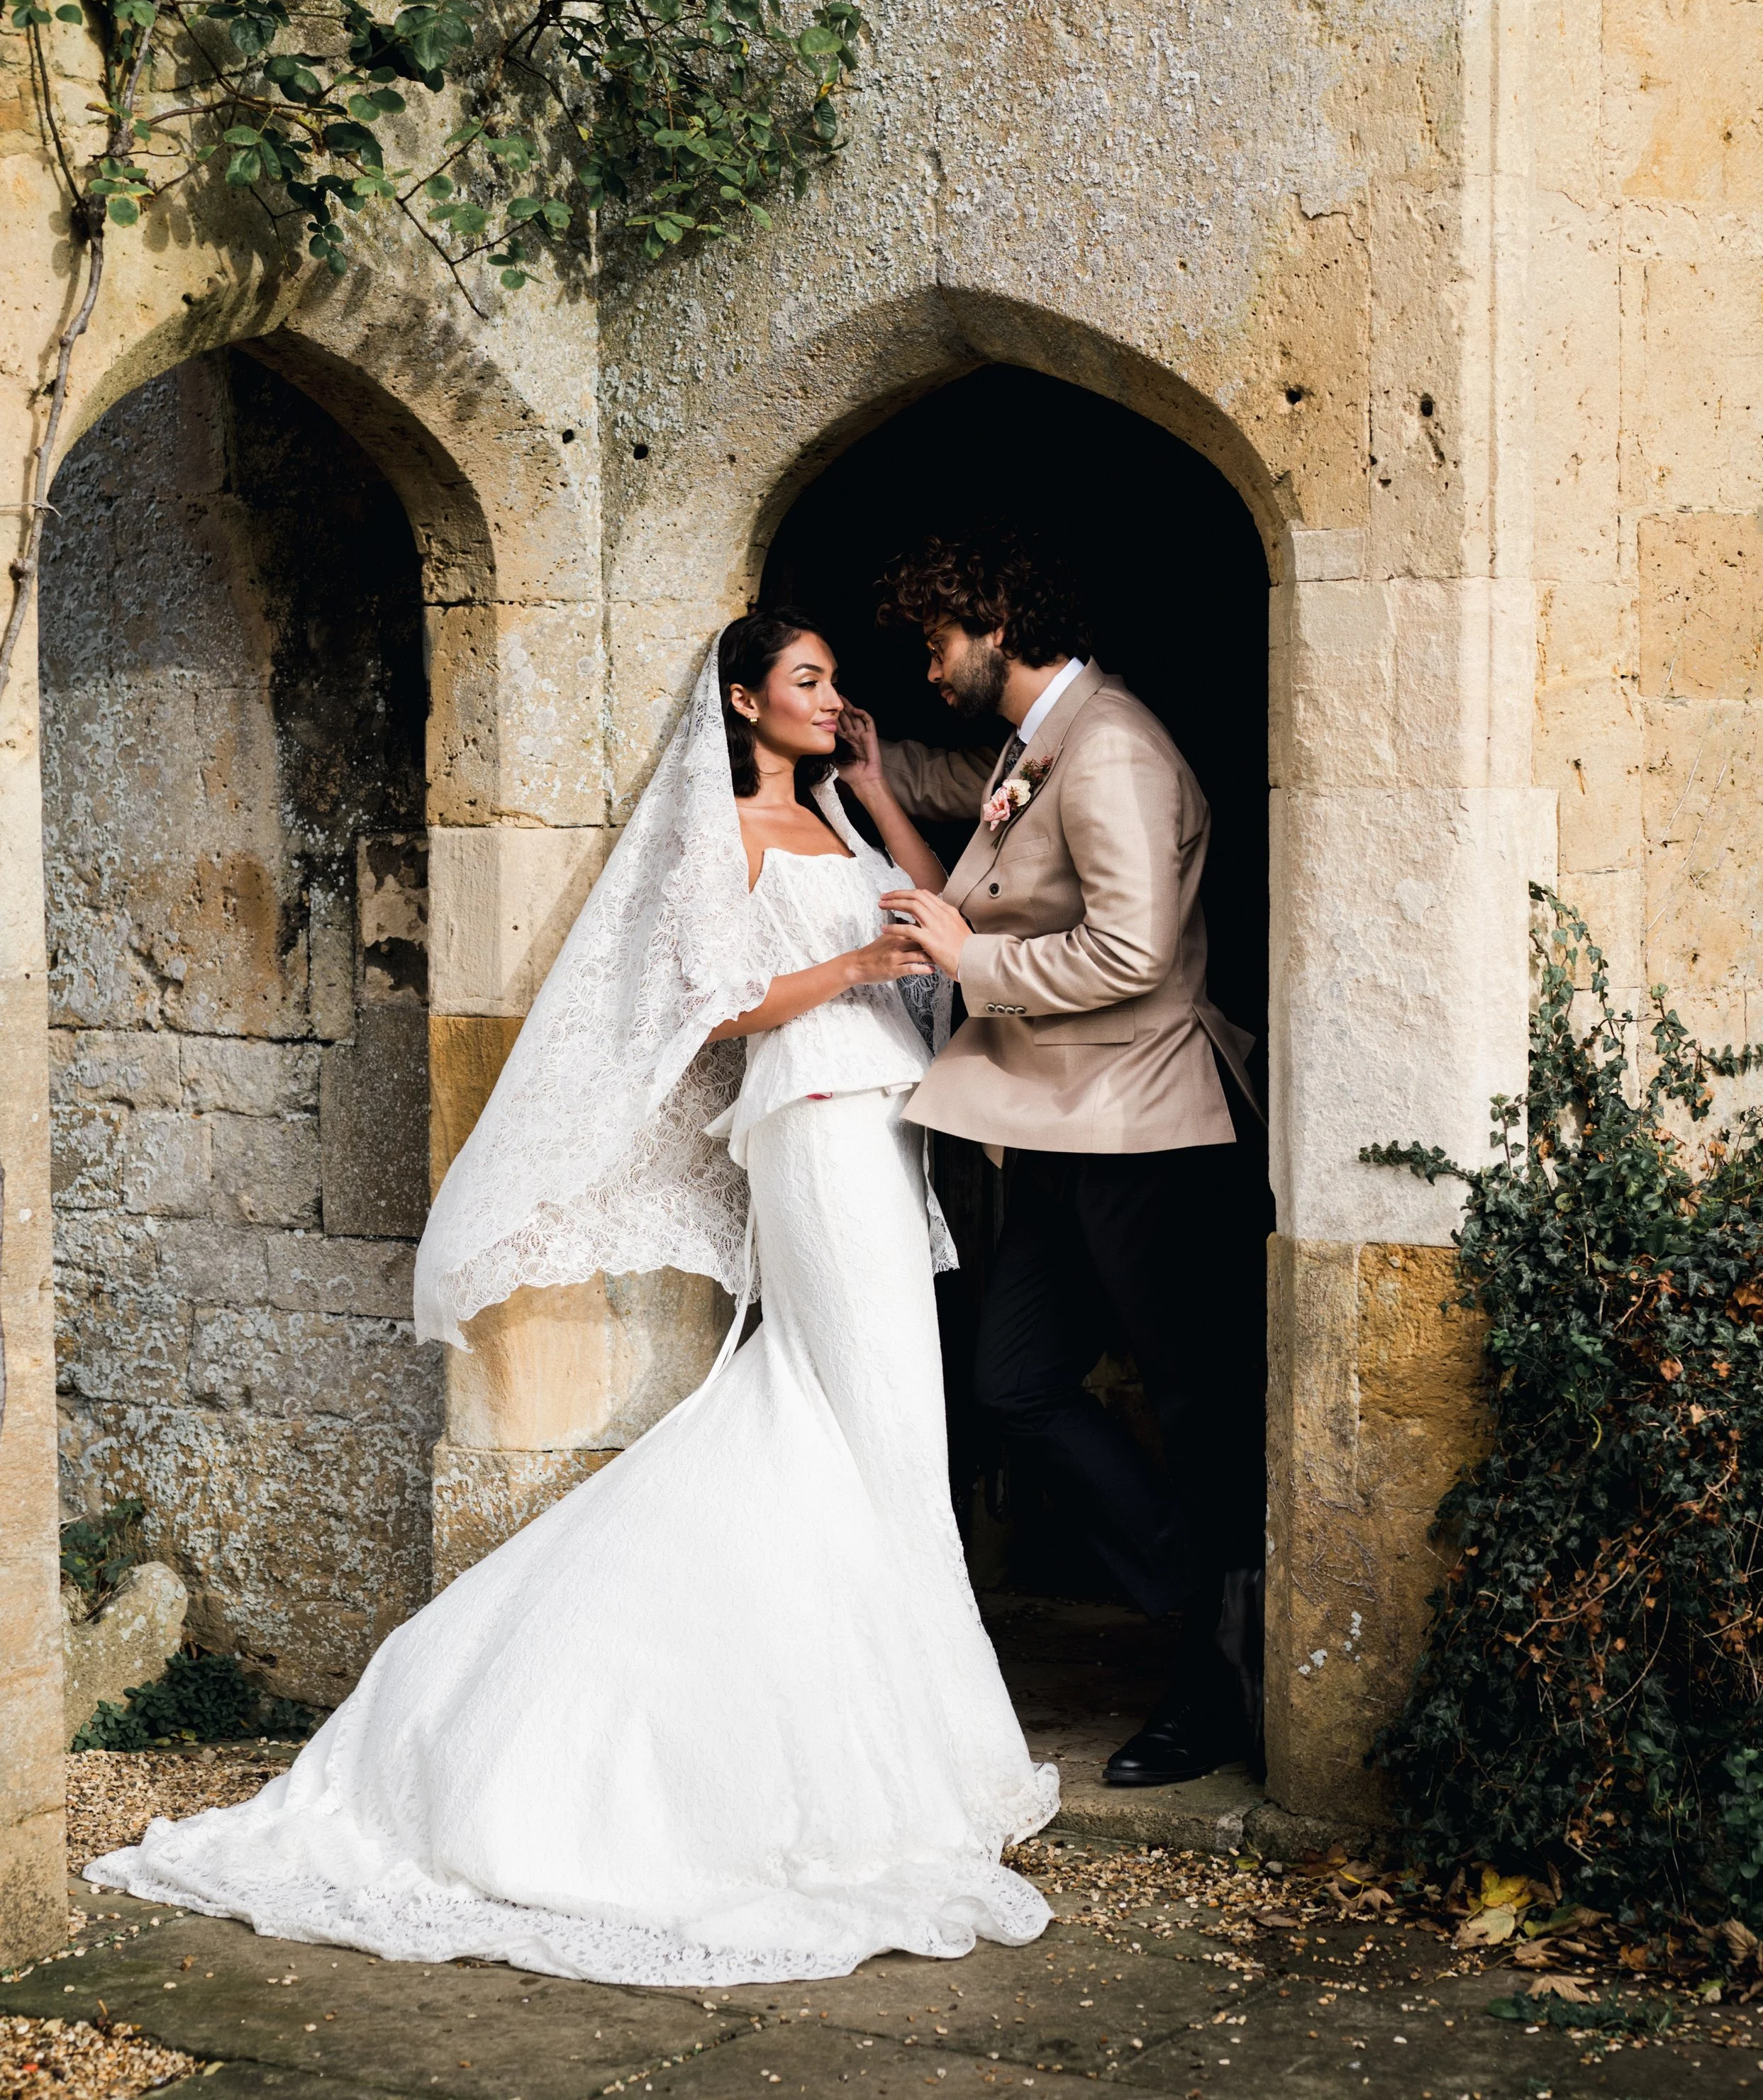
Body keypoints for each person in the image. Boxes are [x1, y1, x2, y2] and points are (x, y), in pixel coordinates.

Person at [87, 611, 1057, 1984]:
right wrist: (849, 972)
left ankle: (912, 1746)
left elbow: (928, 910)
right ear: (740, 702)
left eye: (833, 681)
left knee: (871, 1423)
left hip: (884, 1118)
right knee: (875, 1418)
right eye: (805, 681)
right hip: (812, 1116)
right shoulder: (715, 833)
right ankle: (888, 1769)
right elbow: (705, 1002)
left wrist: (882, 796)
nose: (828, 698)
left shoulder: (836, 823)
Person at [847, 527, 1266, 1788]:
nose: (930, 665)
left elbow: (1134, 955)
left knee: (1199, 1417)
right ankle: (1203, 1593)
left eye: (937, 641)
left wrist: (967, 962)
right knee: (1012, 1381)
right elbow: (976, 801)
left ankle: (1221, 1682)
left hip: (1149, 1129)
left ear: (995, 625)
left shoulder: (1117, 747)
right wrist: (864, 770)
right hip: (1064, 1126)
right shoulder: (1046, 744)